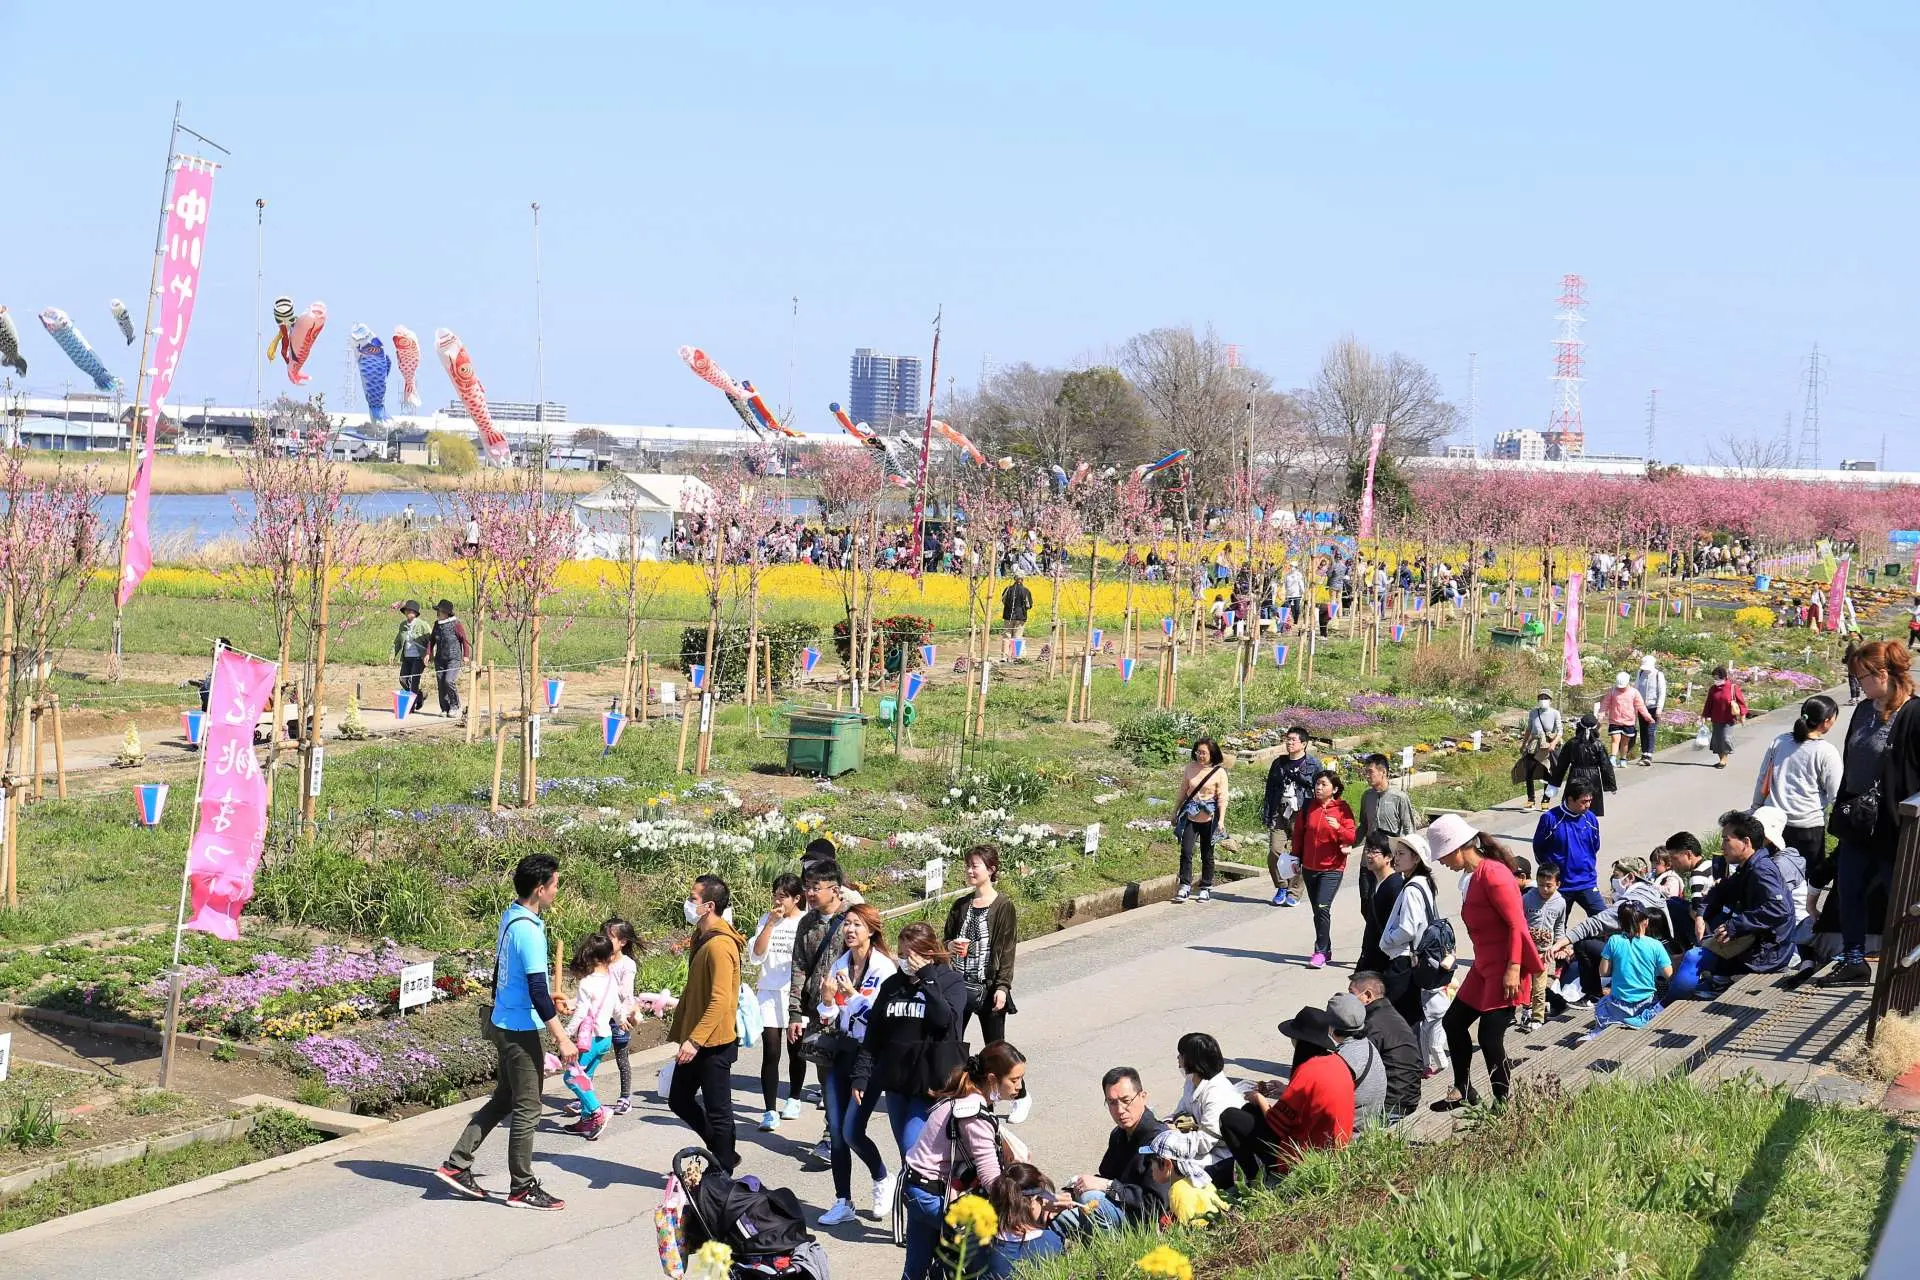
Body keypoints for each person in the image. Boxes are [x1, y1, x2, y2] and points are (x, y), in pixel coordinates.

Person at [436, 853, 576, 1211]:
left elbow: (519, 981)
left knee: (503, 1099)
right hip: (519, 1030)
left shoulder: (511, 916)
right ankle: (521, 1188)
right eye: (555, 885)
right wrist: (561, 1036)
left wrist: (547, 1000)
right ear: (540, 889)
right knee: (529, 1108)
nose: (557, 891)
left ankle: (456, 1164)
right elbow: (535, 990)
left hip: (502, 1021)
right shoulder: (529, 932)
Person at [1426, 816, 1543, 1111]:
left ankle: (1503, 1103)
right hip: (1484, 966)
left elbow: (1517, 925)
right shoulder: (1473, 876)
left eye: (1442, 855)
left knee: (1490, 1037)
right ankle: (1463, 1089)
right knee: (1453, 1022)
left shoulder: (1494, 874)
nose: (1441, 862)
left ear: (1457, 848)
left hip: (1506, 967)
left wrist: (1514, 968)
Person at [1822, 640, 1915, 986]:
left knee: (1901, 896)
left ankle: (1909, 969)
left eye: (1862, 676)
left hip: (1895, 824)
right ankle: (1854, 960)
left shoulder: (1914, 714)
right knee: (1849, 889)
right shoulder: (1863, 711)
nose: (1859, 683)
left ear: (1882, 673)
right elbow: (1852, 760)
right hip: (1859, 821)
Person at [900, 1043, 1029, 1280]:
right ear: (992, 1078)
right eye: (1015, 1080)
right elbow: (992, 1180)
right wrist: (1029, 1204)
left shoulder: (967, 1093)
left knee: (914, 1272)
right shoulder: (973, 1112)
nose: (1020, 1087)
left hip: (917, 1187)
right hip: (933, 1195)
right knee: (975, 1260)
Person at [854, 922, 969, 1160]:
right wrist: (861, 1074)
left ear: (928, 954)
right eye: (901, 955)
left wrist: (927, 979)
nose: (906, 961)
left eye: (911, 955)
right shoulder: (893, 985)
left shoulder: (951, 982)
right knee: (906, 1153)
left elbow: (944, 1021)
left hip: (929, 1083)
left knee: (912, 1150)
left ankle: (931, 1195)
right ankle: (915, 1194)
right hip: (897, 1082)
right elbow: (874, 1033)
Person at [816, 903, 898, 1226]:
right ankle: (843, 1200)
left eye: (857, 925)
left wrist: (851, 996)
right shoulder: (840, 964)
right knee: (836, 1132)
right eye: (847, 924)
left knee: (852, 1131)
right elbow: (831, 1017)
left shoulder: (884, 970)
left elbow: (879, 1018)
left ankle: (882, 1177)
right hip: (842, 1052)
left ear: (871, 930)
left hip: (871, 1058)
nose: (850, 930)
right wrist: (826, 1000)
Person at [1217, 1007, 1356, 1182]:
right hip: (1335, 1143)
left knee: (1229, 1117)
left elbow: (1276, 1126)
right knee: (1247, 1110)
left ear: (1299, 1040)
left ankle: (1255, 1178)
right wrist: (1285, 1089)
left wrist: (1259, 1099)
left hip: (1306, 1155)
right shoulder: (1337, 1061)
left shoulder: (1307, 1071)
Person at [668, 874, 745, 1172]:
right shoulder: (701, 937)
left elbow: (720, 1000)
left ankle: (723, 1169)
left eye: (693, 899)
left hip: (713, 1042)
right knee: (679, 1099)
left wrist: (694, 1040)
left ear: (709, 905)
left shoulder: (720, 946)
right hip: (698, 1037)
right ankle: (722, 1153)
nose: (688, 903)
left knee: (718, 1110)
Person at [1699, 810, 1796, 994]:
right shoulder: (1749, 867)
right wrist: (1701, 913)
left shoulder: (1761, 870)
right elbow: (1723, 890)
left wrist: (1735, 926)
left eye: (1726, 840)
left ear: (1746, 842)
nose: (1722, 846)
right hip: (1759, 941)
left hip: (1768, 952)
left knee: (1695, 958)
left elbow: (1779, 908)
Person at [1752, 694, 1842, 873]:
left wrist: (1755, 808)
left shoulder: (1780, 741)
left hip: (1773, 824)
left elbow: (1763, 777)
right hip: (1807, 827)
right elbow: (1835, 793)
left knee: (1772, 877)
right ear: (1826, 721)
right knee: (1805, 879)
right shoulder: (1826, 752)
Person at [1566, 858, 1670, 1002]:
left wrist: (1563, 942)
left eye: (1616, 875)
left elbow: (1603, 971)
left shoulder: (1623, 913)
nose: (1613, 879)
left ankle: (1592, 996)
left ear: (1631, 876)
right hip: (1653, 981)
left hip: (1631, 975)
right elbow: (1669, 973)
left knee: (1584, 945)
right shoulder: (1653, 892)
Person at [750, 874, 807, 1131]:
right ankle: (770, 1110)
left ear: (797, 898)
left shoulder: (806, 922)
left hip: (795, 993)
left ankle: (794, 1097)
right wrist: (770, 924)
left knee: (796, 1049)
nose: (777, 899)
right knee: (771, 1051)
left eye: (783, 895)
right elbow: (757, 954)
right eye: (775, 894)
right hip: (769, 992)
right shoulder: (766, 920)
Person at [945, 845, 1017, 1044]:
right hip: (958, 986)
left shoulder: (1003, 906)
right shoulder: (961, 905)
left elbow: (1007, 950)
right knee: (950, 1046)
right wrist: (950, 946)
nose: (969, 871)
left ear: (991, 869)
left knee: (996, 1051)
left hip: (988, 988)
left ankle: (1008, 1077)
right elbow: (945, 940)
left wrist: (1002, 987)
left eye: (975, 866)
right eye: (967, 866)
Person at [1157, 1032, 1242, 1188]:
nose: (1178, 1059)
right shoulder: (1192, 1081)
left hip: (1224, 1153)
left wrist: (1177, 1131)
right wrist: (1173, 1126)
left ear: (1192, 1061)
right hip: (1201, 1141)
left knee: (1171, 1165)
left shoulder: (1217, 1094)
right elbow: (1181, 1112)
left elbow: (1205, 1142)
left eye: (1180, 1055)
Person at [1378, 836, 1441, 1045]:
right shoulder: (1423, 883)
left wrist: (1387, 939)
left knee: (1399, 1019)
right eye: (1396, 853)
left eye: (1402, 854)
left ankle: (1407, 1062)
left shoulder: (1412, 888)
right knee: (1410, 1017)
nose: (1396, 858)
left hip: (1404, 960)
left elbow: (1407, 928)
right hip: (1416, 959)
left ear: (1416, 859)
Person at [1292, 769, 1358, 968]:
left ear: (1334, 788)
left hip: (1332, 868)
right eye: (1317, 784)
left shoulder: (1342, 809)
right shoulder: (1308, 807)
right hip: (1309, 868)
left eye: (1323, 784)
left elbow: (1351, 836)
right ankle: (1326, 948)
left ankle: (1319, 952)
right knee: (1318, 910)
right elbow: (1298, 835)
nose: (1318, 788)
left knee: (1322, 907)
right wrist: (1295, 857)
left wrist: (1338, 827)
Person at [558, 931, 618, 1140]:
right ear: (610, 956)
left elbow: (582, 1013)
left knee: (572, 1078)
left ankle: (597, 1112)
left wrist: (564, 1035)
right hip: (605, 1039)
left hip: (590, 1040)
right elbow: (617, 1006)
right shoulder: (611, 980)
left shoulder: (587, 983)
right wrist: (623, 1020)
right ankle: (586, 1121)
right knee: (587, 1078)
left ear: (590, 957)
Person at [1347, 972, 1420, 1121]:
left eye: (1351, 994)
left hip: (1391, 1105)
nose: (1348, 1000)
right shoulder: (1388, 1013)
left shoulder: (1372, 1024)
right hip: (1407, 1097)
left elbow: (1358, 1066)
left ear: (1367, 995)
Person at [1357, 753, 1417, 932]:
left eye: (1370, 772)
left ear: (1383, 772)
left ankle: (1388, 938)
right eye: (1366, 772)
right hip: (1368, 856)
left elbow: (1408, 830)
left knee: (1389, 901)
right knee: (1366, 901)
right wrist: (1346, 843)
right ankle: (1375, 936)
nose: (1367, 776)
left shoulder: (1399, 797)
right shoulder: (1366, 796)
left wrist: (1410, 861)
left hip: (1391, 858)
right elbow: (1363, 826)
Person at [1261, 726, 1320, 908]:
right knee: (1275, 851)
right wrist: (1268, 811)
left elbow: (1319, 788)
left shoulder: (1313, 764)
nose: (1289, 742)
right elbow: (1270, 789)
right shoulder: (1279, 763)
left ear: (1303, 743)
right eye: (1287, 739)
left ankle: (1294, 891)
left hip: (1302, 812)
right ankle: (1281, 885)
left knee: (1300, 853)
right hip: (1280, 811)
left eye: (1293, 740)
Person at [1533, 780, 1605, 922]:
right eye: (1583, 802)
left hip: (1587, 882)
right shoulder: (1550, 819)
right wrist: (1553, 874)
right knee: (1555, 928)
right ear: (1570, 799)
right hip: (1561, 887)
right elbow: (1539, 849)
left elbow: (1595, 846)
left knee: (1604, 921)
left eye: (1590, 801)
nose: (1588, 805)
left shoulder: (1590, 818)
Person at [983, 1164, 1067, 1277]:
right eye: (1042, 1199)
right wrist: (1044, 1220)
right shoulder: (1051, 1242)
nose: (1043, 1203)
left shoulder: (980, 1244)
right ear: (1032, 1203)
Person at [1175, 738, 1230, 904]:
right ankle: (1184, 885)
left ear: (1212, 753)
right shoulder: (1190, 768)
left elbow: (1222, 798)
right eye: (1198, 752)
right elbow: (1183, 791)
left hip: (1209, 818)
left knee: (1207, 854)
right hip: (1191, 816)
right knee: (1186, 851)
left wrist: (1221, 820)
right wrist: (1174, 812)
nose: (1200, 755)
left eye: (1204, 752)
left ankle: (1205, 887)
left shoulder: (1219, 772)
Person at [1325, 993, 1386, 1127]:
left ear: (1332, 1027)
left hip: (1349, 1133)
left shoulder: (1343, 1059)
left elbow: (1324, 1102)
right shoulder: (1366, 1044)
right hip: (1369, 1123)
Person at [1520, 863, 1568, 1028]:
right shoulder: (1527, 898)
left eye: (1549, 886)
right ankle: (1523, 1011)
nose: (1544, 889)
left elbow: (1560, 926)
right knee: (1524, 984)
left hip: (1544, 952)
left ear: (1558, 884)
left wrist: (1560, 945)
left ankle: (1537, 1017)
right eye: (1541, 885)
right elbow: (1519, 920)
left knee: (1540, 986)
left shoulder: (1560, 903)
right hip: (1526, 950)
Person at [601, 917, 638, 1116]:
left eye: (610, 938)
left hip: (619, 1018)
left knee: (622, 1058)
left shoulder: (627, 964)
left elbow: (625, 992)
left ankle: (625, 1097)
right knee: (588, 1056)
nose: (605, 941)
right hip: (599, 1017)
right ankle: (583, 1096)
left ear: (622, 942)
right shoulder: (599, 961)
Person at [1355, 833, 1405, 974]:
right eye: (1367, 851)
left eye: (1375, 852)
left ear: (1389, 857)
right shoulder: (1377, 884)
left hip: (1384, 963)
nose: (1369, 856)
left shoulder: (1395, 886)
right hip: (1371, 957)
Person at [1548, 716, 1616, 818]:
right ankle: (1588, 830)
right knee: (1590, 806)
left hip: (1575, 775)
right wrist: (1611, 785)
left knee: (1573, 804)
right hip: (1594, 778)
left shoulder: (1572, 743)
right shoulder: (1598, 744)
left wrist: (1554, 783)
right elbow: (1605, 766)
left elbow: (1561, 765)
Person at [1517, 692, 1564, 810]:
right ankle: (1530, 799)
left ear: (1550, 700)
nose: (1543, 700)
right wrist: (1524, 744)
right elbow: (1529, 729)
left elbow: (1560, 731)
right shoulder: (1533, 712)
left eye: (1546, 698)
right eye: (1541, 698)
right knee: (1529, 772)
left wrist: (1553, 743)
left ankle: (1545, 800)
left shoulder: (1555, 713)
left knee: (1546, 772)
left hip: (1546, 745)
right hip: (1534, 744)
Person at [1599, 672, 1654, 767]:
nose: (1620, 688)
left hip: (1628, 722)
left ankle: (1623, 758)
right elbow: (1605, 704)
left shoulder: (1634, 692)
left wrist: (1647, 717)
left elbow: (1640, 706)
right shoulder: (1612, 691)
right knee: (1615, 740)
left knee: (1625, 742)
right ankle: (1612, 758)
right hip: (1614, 720)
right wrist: (1600, 716)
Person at [1702, 665, 1750, 770]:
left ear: (1723, 677)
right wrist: (1704, 715)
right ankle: (1721, 759)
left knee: (1725, 738)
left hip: (1728, 718)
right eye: (1714, 678)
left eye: (1717, 678)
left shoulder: (1733, 687)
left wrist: (1743, 715)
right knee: (1717, 740)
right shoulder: (1713, 689)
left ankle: (1724, 759)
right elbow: (1708, 703)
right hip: (1716, 718)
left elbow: (1741, 702)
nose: (1716, 680)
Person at [427, 599, 469, 717]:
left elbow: (464, 640)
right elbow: (432, 640)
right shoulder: (437, 624)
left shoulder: (456, 624)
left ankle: (454, 705)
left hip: (453, 658)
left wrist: (466, 655)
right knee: (441, 683)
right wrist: (428, 653)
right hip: (440, 658)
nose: (438, 614)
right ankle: (445, 708)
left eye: (440, 611)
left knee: (448, 680)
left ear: (446, 613)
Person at [392, 599, 429, 705]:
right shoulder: (403, 625)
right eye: (407, 611)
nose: (408, 613)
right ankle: (419, 695)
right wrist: (392, 654)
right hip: (407, 657)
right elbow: (398, 641)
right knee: (403, 680)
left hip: (419, 658)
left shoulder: (423, 625)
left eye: (411, 611)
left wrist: (428, 654)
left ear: (416, 613)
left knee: (413, 681)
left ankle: (411, 706)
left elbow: (430, 641)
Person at [1634, 655, 1667, 766]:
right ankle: (1644, 753)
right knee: (1643, 730)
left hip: (1653, 707)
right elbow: (1636, 689)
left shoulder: (1658, 675)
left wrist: (1659, 708)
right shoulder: (1640, 673)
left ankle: (1649, 754)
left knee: (1650, 731)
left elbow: (1662, 692)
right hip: (1642, 707)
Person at [1001, 575, 1032, 642]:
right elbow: (1028, 605)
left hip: (1008, 615)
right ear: (1022, 580)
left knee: (1007, 636)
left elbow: (1003, 600)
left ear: (1014, 579)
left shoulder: (1008, 589)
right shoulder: (1026, 591)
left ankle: (1005, 652)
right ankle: (1015, 652)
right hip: (1020, 616)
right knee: (1017, 637)